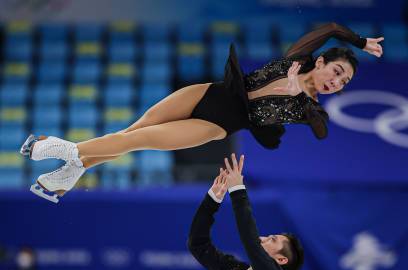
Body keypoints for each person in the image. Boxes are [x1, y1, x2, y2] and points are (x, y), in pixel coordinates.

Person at [21, 23, 383, 203]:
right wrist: (360, 42)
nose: (338, 82)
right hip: (205, 93)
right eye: (337, 72)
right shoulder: (297, 58)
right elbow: (331, 29)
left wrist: (293, 92)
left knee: (139, 141)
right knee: (132, 131)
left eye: (344, 82)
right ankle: (69, 174)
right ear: (320, 61)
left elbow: (322, 131)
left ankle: (58, 148)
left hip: (214, 124)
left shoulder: (309, 110)